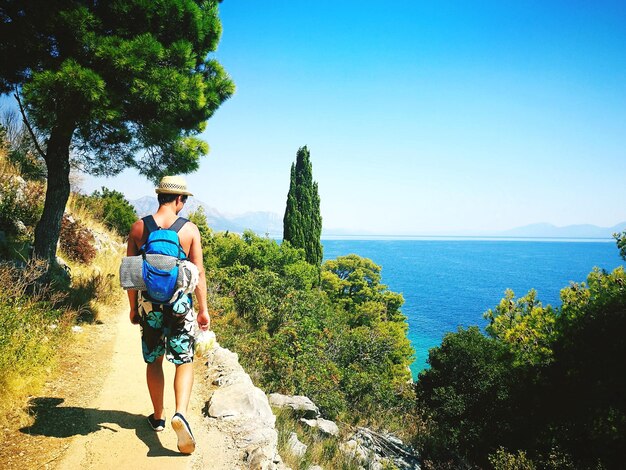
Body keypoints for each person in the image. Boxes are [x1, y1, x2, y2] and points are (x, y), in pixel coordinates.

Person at [126, 175, 210, 454]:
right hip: (179, 306)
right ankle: (181, 414)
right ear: (179, 200)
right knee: (183, 360)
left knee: (154, 360)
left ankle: (158, 417)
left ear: (159, 196)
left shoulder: (139, 228)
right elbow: (198, 274)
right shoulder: (189, 231)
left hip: (149, 305)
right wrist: (203, 310)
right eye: (184, 199)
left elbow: (131, 276)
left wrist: (133, 308)